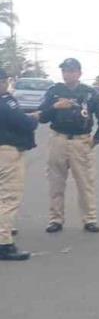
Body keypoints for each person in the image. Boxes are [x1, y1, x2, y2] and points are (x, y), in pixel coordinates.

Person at [38, 58, 99, 234]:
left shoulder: (89, 93)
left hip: (81, 141)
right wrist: (55, 106)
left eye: (71, 71)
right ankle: (56, 219)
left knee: (85, 182)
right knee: (56, 182)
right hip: (58, 140)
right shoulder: (54, 92)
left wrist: (96, 139)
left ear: (79, 73)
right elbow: (42, 117)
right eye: (64, 71)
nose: (67, 74)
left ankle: (89, 219)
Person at [0, 68, 39, 260]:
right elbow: (25, 123)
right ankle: (4, 244)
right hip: (7, 152)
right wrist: (34, 118)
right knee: (8, 198)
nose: (7, 84)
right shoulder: (5, 102)